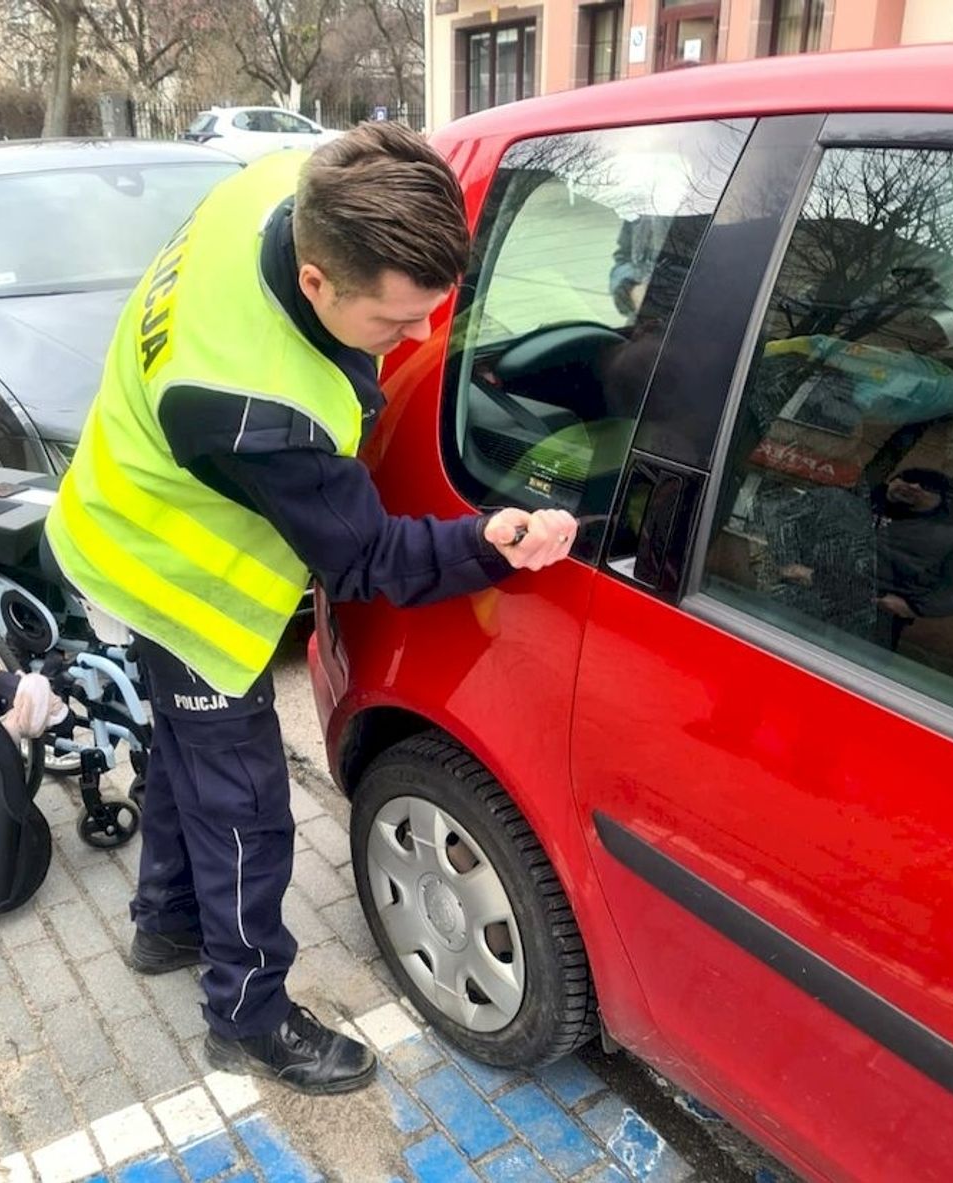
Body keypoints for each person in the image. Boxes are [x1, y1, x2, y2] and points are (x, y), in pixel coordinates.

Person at [43, 122, 578, 1096]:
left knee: (190, 753)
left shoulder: (291, 183)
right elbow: (368, 556)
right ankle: (245, 1014)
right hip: (171, 576)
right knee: (246, 806)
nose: (417, 340)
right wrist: (486, 542)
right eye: (394, 323)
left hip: (114, 502)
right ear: (320, 282)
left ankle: (166, 922)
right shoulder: (254, 405)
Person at [872, 467, 953, 648]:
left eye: (928, 486)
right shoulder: (850, 506)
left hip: (871, 623)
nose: (914, 486)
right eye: (907, 478)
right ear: (891, 481)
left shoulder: (951, 540)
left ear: (942, 500)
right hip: (811, 599)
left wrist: (915, 607)